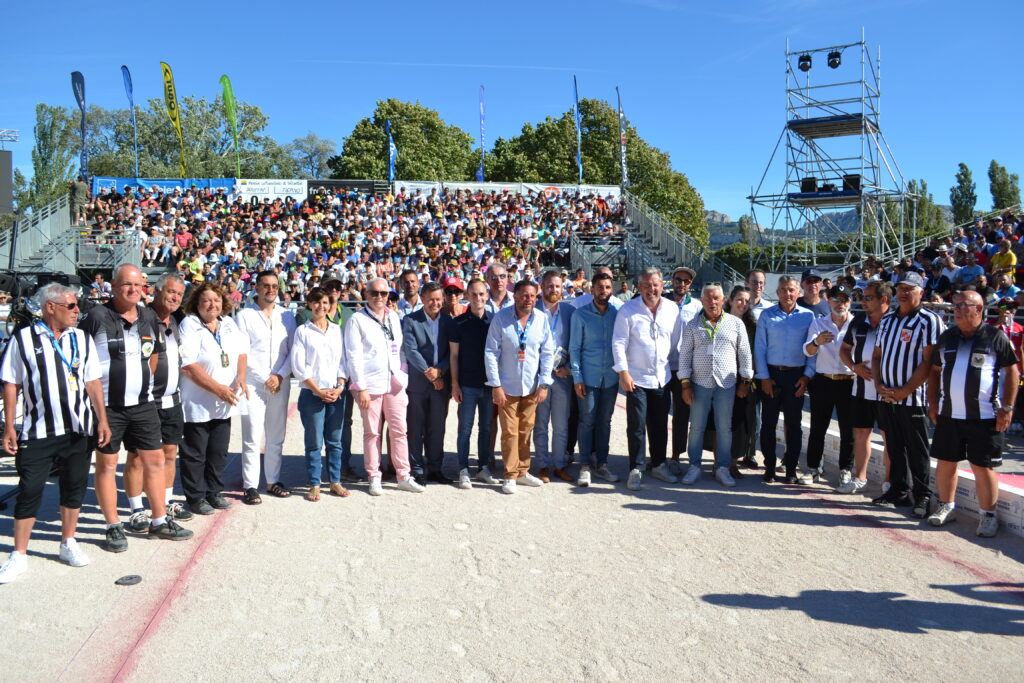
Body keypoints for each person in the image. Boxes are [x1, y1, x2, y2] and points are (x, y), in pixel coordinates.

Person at [0, 285, 111, 583]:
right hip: (39, 430)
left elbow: (93, 382)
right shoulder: (24, 338)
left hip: (78, 427)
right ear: (51, 307)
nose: (78, 311)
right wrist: (9, 425)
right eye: (72, 306)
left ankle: (67, 542)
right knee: (30, 489)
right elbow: (11, 383)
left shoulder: (82, 339)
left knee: (74, 486)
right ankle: (19, 554)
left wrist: (102, 419)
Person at [79, 264, 191, 552]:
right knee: (107, 465)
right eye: (126, 284)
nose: (133, 290)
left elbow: (152, 356)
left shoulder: (147, 317)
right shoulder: (96, 316)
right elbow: (80, 358)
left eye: (138, 285)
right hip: (108, 406)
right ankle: (113, 525)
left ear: (144, 288)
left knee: (154, 461)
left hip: (143, 405)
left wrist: (144, 386)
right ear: (114, 286)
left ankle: (158, 520)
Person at [926, 289, 1018, 537]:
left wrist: (1008, 407)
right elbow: (934, 372)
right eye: (954, 306)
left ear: (978, 309)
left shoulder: (994, 337)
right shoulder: (947, 338)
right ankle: (946, 506)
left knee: (982, 466)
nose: (956, 310)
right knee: (946, 463)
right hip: (948, 415)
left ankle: (988, 516)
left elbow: (1013, 372)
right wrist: (932, 403)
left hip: (985, 416)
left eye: (962, 305)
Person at [123, 274, 193, 533]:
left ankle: (164, 502)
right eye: (171, 292)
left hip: (171, 400)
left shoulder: (174, 321)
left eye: (179, 294)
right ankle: (136, 509)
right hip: (145, 402)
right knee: (137, 457)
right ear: (156, 291)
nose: (175, 298)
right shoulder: (141, 318)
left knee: (169, 454)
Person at [872, 271, 945, 517]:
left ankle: (923, 495)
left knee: (917, 449)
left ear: (921, 292)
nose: (903, 292)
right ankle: (899, 490)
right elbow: (877, 355)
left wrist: (905, 391)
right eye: (900, 288)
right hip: (886, 395)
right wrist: (879, 385)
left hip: (913, 398)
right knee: (893, 445)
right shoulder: (887, 320)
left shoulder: (929, 320)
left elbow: (929, 362)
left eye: (910, 288)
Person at [345, 278, 424, 496]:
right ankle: (374, 476)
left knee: (400, 431)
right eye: (374, 293)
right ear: (366, 294)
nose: (379, 297)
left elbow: (400, 350)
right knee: (372, 432)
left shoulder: (393, 317)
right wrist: (360, 387)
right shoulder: (357, 320)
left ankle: (403, 475)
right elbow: (353, 355)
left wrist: (403, 374)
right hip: (370, 385)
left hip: (395, 382)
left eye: (383, 293)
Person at [177, 283, 250, 515]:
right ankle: (196, 496)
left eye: (217, 300)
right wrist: (218, 389)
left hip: (224, 401)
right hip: (198, 401)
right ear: (197, 303)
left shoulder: (228, 323)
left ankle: (214, 491)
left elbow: (241, 353)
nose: (212, 304)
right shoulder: (190, 324)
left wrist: (240, 376)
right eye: (207, 300)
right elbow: (188, 365)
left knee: (218, 451)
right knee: (195, 453)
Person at [677, 283, 753, 487]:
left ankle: (721, 467)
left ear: (724, 300)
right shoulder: (693, 325)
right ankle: (694, 466)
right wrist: (685, 384)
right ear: (702, 300)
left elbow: (745, 354)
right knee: (697, 427)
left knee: (724, 428)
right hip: (699, 383)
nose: (712, 302)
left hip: (726, 384)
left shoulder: (735, 324)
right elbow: (684, 355)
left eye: (716, 298)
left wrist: (745, 381)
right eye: (708, 298)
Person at [612, 267, 681, 490]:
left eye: (655, 284)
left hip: (662, 377)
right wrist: (623, 372)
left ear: (662, 285)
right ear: (639, 287)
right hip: (636, 379)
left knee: (660, 424)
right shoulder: (628, 310)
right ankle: (637, 468)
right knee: (637, 425)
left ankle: (659, 464)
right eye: (646, 285)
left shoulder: (672, 309)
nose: (651, 289)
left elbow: (675, 341)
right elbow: (619, 343)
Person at [484, 279, 554, 494]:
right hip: (507, 387)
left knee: (526, 430)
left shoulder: (542, 319)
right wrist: (495, 385)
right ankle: (510, 474)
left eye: (532, 296)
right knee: (510, 432)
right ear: (515, 296)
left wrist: (544, 383)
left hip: (532, 387)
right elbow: (490, 352)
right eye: (524, 295)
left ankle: (523, 471)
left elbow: (548, 352)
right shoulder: (501, 319)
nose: (528, 300)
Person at [235, 270, 296, 501]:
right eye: (266, 285)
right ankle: (250, 485)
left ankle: (272, 481)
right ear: (257, 288)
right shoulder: (245, 315)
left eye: (274, 286)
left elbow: (292, 351)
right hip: (253, 385)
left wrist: (279, 376)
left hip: (280, 383)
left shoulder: (286, 316)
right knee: (252, 434)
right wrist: (265, 378)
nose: (270, 290)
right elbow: (243, 351)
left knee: (276, 434)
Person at [754, 276, 815, 483]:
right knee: (768, 423)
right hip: (772, 375)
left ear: (798, 292)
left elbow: (813, 351)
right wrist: (763, 377)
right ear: (777, 292)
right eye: (783, 290)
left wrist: (807, 377)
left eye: (791, 290)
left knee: (794, 424)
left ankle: (790, 468)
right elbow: (760, 348)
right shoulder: (766, 315)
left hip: (796, 376)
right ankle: (769, 466)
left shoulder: (808, 316)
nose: (787, 294)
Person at [290, 287, 349, 501]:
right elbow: (299, 366)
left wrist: (340, 386)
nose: (320, 307)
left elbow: (343, 362)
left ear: (330, 304)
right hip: (312, 395)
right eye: (316, 302)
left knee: (335, 441)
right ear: (309, 304)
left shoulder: (336, 330)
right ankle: (314, 483)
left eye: (324, 302)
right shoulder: (302, 332)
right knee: (314, 442)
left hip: (335, 393)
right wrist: (318, 390)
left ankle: (335, 481)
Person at [837, 280, 892, 495]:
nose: (863, 302)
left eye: (868, 298)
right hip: (860, 389)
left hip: (887, 390)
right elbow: (844, 350)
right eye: (861, 298)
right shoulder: (858, 320)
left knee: (890, 437)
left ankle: (889, 483)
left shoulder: (895, 321)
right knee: (860, 433)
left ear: (884, 299)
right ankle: (860, 478)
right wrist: (853, 367)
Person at [569, 271, 622, 487]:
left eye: (608, 287)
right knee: (587, 421)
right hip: (588, 378)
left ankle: (602, 464)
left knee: (605, 422)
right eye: (600, 287)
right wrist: (577, 377)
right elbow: (574, 349)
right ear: (592, 289)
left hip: (610, 378)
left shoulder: (617, 314)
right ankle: (584, 466)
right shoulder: (580, 315)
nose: (604, 291)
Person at [450, 279, 501, 488]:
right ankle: (463, 468)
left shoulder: (496, 321)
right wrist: (454, 384)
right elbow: (454, 356)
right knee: (465, 428)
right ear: (467, 296)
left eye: (481, 294)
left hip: (489, 385)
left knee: (487, 428)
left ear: (487, 295)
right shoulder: (458, 323)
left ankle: (482, 467)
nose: (478, 298)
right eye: (473, 294)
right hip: (467, 384)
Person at [802, 284, 855, 483]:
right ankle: (813, 468)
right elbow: (807, 351)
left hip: (849, 382)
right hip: (823, 381)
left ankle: (845, 470)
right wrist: (817, 342)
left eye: (844, 300)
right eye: (835, 299)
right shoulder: (818, 323)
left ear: (850, 302)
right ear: (828, 301)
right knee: (817, 427)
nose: (840, 304)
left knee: (847, 430)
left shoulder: (857, 324)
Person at [402, 282, 452, 484]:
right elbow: (411, 350)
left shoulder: (449, 322)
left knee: (437, 427)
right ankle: (417, 468)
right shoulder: (410, 320)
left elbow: (452, 352)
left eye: (439, 299)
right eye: (431, 299)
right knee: (415, 427)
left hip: (441, 383)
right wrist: (428, 372)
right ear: (422, 299)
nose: (435, 303)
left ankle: (435, 468)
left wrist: (439, 370)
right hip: (418, 383)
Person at [532, 270, 575, 483]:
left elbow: (575, 344)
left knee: (561, 425)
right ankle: (541, 465)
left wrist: (569, 368)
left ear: (562, 287)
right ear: (542, 286)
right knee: (540, 423)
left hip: (561, 375)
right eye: (550, 286)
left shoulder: (569, 311)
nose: (554, 290)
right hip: (539, 377)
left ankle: (558, 465)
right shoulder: (532, 309)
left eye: (557, 286)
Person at [666, 265, 702, 473]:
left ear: (690, 284)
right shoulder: (661, 303)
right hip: (662, 366)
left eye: (686, 281)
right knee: (659, 413)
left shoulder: (696, 306)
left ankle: (676, 456)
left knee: (681, 414)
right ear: (672, 280)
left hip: (685, 369)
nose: (681, 284)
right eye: (678, 279)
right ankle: (659, 455)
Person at [726, 286, 758, 474]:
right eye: (739, 299)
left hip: (744, 379)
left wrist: (746, 382)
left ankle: (732, 461)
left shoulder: (752, 326)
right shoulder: (718, 320)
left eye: (747, 301)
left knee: (740, 422)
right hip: (721, 377)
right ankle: (719, 461)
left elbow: (754, 354)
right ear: (730, 300)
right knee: (721, 421)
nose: (743, 304)